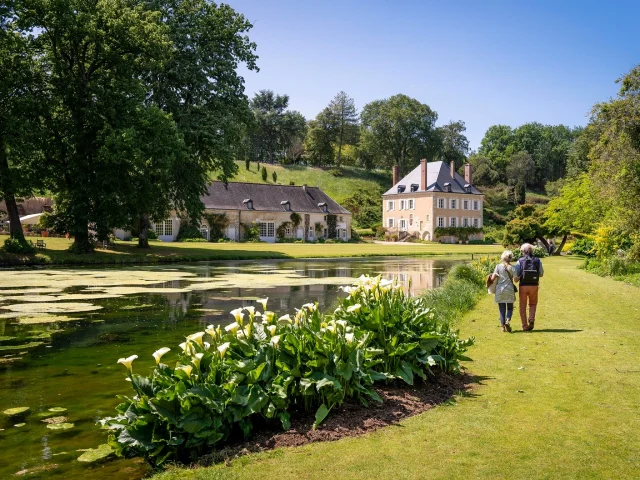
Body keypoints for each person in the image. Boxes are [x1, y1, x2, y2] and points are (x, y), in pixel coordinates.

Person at [514, 243, 544, 331]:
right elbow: (541, 274)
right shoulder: (538, 260)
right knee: (533, 304)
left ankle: (524, 326)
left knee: (522, 306)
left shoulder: (519, 261)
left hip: (523, 285)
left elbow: (516, 277)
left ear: (523, 251)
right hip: (534, 285)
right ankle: (531, 319)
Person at [490, 250, 517, 332]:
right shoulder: (513, 268)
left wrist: (491, 276)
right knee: (510, 308)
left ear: (502, 257)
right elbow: (516, 280)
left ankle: (502, 327)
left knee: (502, 309)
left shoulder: (498, 266)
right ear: (510, 258)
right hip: (509, 289)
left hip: (500, 290)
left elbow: (492, 278)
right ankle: (507, 321)